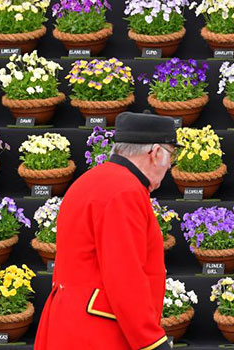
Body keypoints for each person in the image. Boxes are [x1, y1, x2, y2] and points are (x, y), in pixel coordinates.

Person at [35, 112, 177, 350]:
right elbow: (124, 275)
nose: (170, 165)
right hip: (99, 331)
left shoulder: (89, 180)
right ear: (155, 153)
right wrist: (151, 341)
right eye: (171, 155)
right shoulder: (125, 191)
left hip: (68, 323)